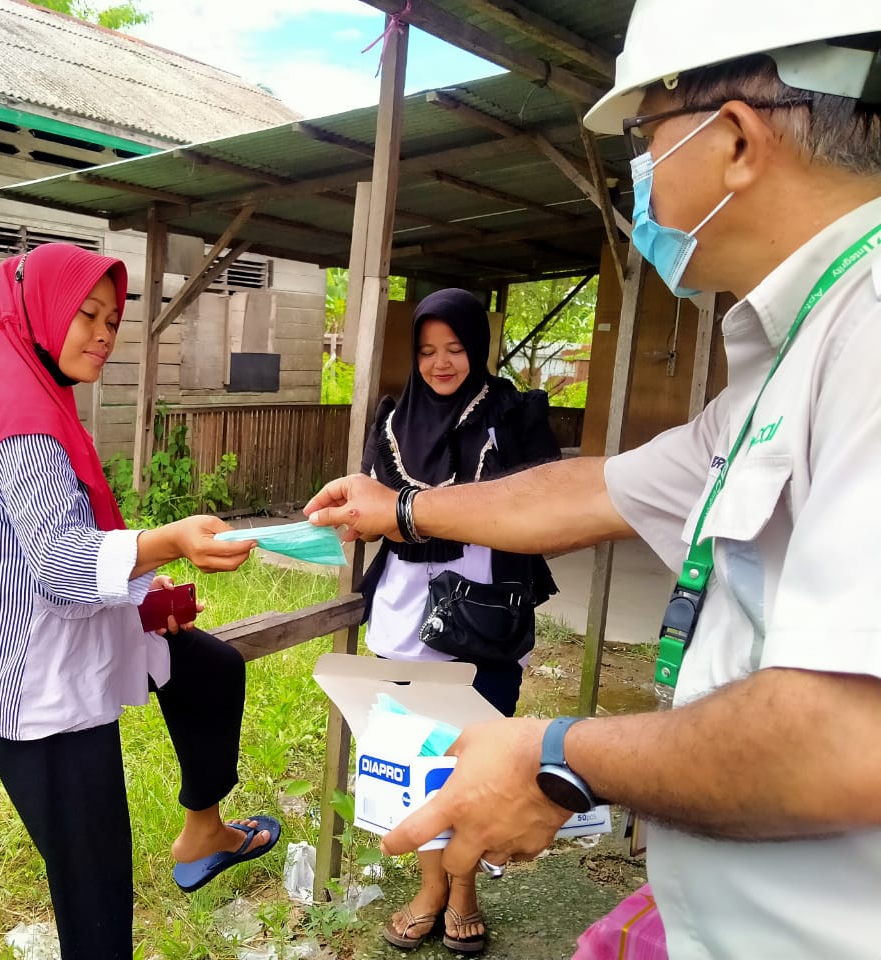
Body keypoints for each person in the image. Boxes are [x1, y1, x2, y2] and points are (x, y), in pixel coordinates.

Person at [305, 5, 881, 958]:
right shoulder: (799, 348)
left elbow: (846, 736)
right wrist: (400, 505)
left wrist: (559, 757)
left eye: (645, 138)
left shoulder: (867, 335)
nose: (637, 178)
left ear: (735, 138)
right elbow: (597, 489)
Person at [0, 243, 279, 960]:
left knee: (210, 670)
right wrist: (171, 540)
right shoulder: (24, 422)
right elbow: (60, 563)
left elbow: (59, 547)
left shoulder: (30, 398)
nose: (102, 332)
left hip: (59, 631)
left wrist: (145, 594)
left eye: (114, 319)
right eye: (86, 314)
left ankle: (203, 831)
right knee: (96, 902)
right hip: (34, 684)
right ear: (41, 313)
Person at [358, 289, 560, 952]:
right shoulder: (392, 417)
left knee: (476, 759)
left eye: (455, 348)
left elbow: (543, 502)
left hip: (484, 618)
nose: (441, 363)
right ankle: (431, 888)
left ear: (477, 347)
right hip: (403, 616)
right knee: (421, 758)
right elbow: (375, 507)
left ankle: (464, 889)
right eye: (427, 350)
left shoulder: (514, 411)